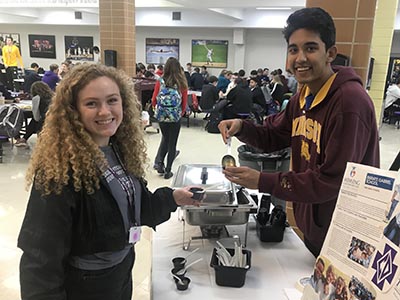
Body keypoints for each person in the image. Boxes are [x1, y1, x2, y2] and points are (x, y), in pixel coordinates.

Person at [18, 63, 199, 300]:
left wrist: (173, 197)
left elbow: (135, 208)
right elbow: (39, 260)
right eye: (92, 103)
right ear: (73, 110)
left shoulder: (119, 151)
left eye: (112, 100)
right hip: (85, 287)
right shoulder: (59, 171)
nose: (105, 111)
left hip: (120, 273)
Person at [218, 7, 380, 257]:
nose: (300, 58)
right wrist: (242, 127)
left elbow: (331, 181)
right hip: (315, 226)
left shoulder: (349, 103)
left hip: (344, 236)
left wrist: (261, 181)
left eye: (311, 48)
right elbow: (273, 135)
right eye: (293, 49)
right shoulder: (303, 95)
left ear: (330, 54)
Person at [152, 57, 188, 179]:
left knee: (165, 139)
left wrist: (158, 110)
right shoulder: (181, 82)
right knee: (172, 143)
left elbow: (153, 100)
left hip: (162, 116)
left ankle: (160, 164)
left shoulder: (160, 81)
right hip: (175, 117)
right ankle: (168, 171)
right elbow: (184, 103)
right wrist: (180, 113)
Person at [15, 81, 54, 147]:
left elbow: (36, 117)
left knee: (34, 119)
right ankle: (24, 138)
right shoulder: (53, 96)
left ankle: (21, 138)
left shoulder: (36, 98)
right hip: (53, 118)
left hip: (43, 122)